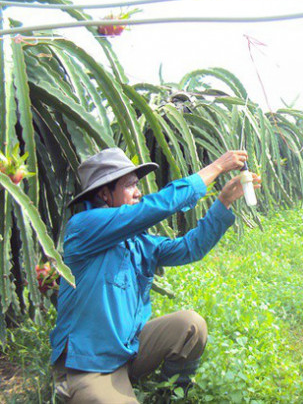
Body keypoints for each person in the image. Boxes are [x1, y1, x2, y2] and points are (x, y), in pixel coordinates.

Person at [50, 147, 261, 403]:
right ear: (105, 195)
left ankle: (170, 393)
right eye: (130, 186)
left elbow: (189, 248)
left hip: (128, 351)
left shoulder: (137, 242)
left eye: (137, 185)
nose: (139, 192)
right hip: (88, 364)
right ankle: (73, 388)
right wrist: (216, 167)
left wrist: (224, 201)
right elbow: (155, 207)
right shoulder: (83, 228)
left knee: (191, 326)